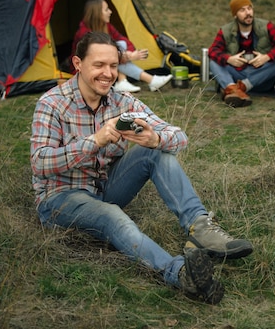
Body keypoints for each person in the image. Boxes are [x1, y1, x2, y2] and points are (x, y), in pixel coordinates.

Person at [31, 31, 254, 304]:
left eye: (113, 66)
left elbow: (180, 137)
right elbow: (40, 162)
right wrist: (93, 142)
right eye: (99, 65)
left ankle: (201, 229)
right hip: (62, 197)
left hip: (105, 188)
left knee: (158, 153)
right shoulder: (52, 103)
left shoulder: (122, 102)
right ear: (78, 63)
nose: (108, 74)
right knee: (112, 216)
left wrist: (155, 138)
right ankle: (183, 274)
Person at [70, 0, 172, 93]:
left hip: (105, 63)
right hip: (87, 68)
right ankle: (149, 80)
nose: (110, 12)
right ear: (97, 14)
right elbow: (98, 57)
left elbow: (122, 39)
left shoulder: (105, 26)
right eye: (106, 10)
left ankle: (122, 81)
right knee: (114, 53)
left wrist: (129, 53)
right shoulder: (84, 34)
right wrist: (128, 57)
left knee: (121, 44)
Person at [208, 0, 275, 107]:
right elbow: (212, 51)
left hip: (261, 75)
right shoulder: (226, 30)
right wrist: (229, 59)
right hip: (237, 74)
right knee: (213, 62)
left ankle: (240, 88)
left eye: (249, 8)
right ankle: (233, 88)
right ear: (235, 15)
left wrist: (267, 57)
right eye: (242, 10)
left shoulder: (266, 26)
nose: (248, 13)